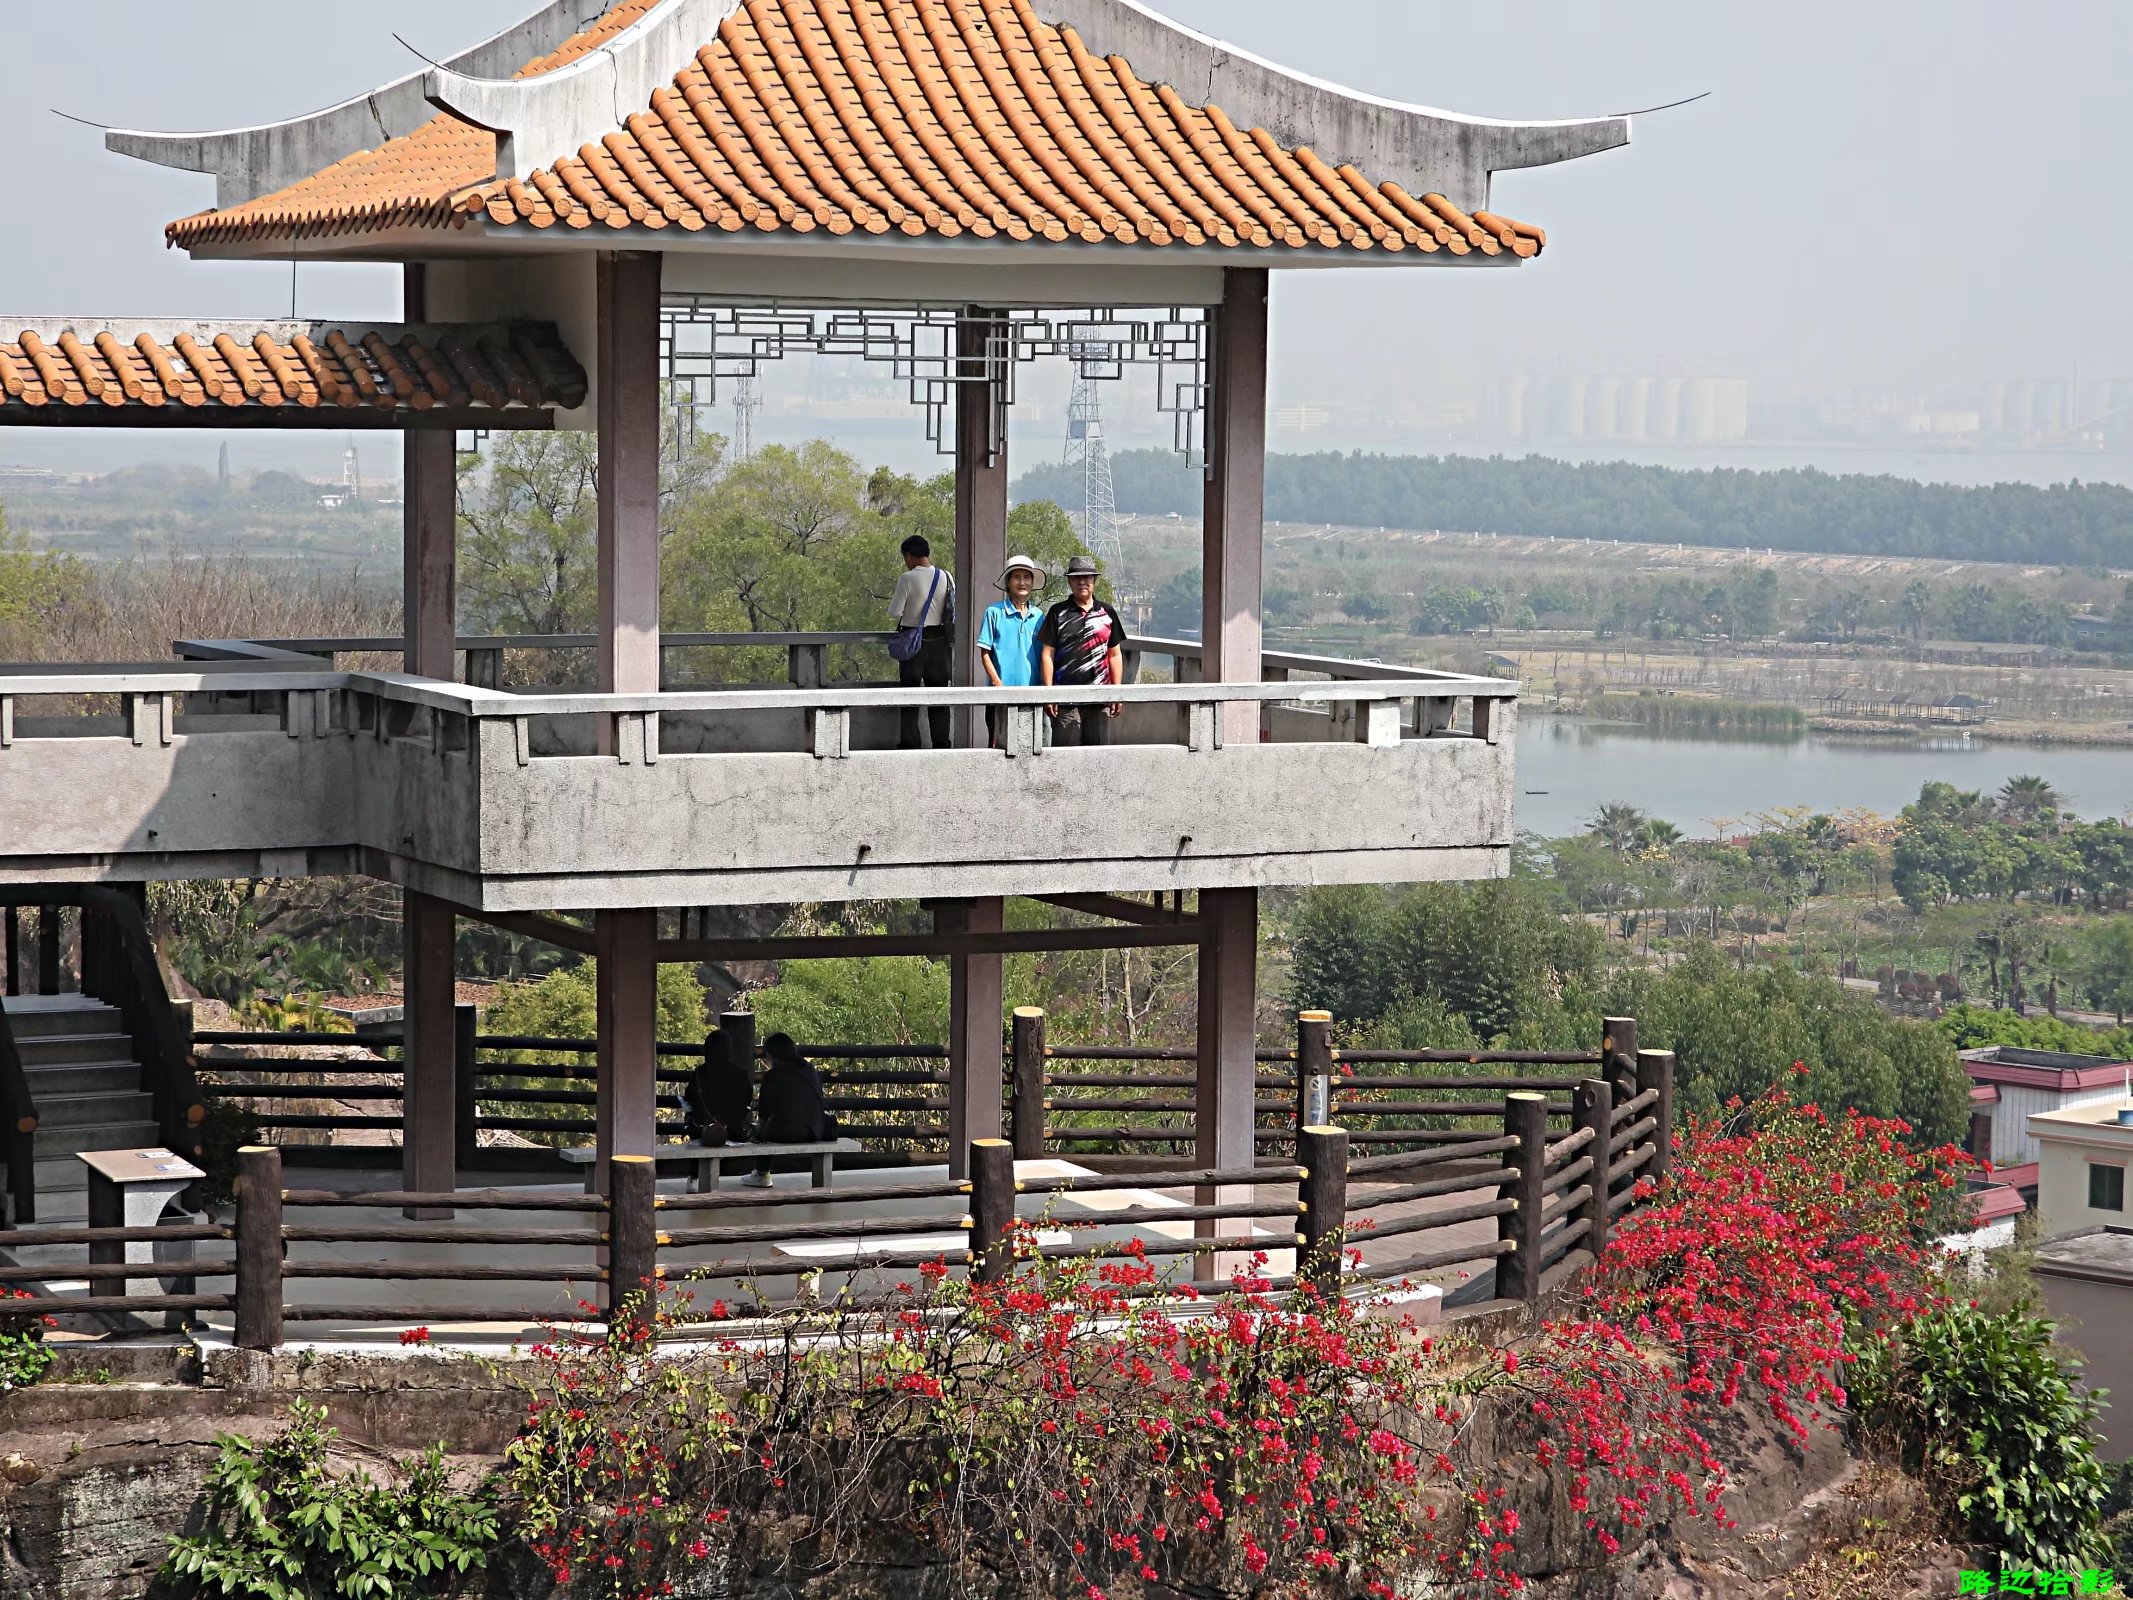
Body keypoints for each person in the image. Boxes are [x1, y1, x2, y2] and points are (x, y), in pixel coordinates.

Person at [1039, 554, 1128, 746]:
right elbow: (1047, 654)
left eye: (1087, 577)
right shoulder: (1057, 612)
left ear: (1094, 580)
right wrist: (1048, 693)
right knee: (1065, 755)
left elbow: (1114, 655)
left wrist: (1117, 692)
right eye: (1076, 578)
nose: (1082, 582)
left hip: (1099, 699)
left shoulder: (1107, 612)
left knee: (1098, 756)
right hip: (1065, 701)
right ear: (1070, 582)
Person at [888, 534, 955, 750]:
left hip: (913, 642)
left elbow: (894, 611)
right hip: (940, 642)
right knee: (939, 698)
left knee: (909, 697)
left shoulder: (907, 578)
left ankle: (910, 745)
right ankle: (942, 745)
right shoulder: (946, 576)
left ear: (908, 556)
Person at [976, 554, 1047, 747]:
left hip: (1032, 694)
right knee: (999, 748)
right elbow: (985, 653)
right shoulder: (994, 612)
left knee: (1030, 747)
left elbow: (1044, 656)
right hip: (1000, 695)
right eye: (1017, 577)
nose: (1022, 582)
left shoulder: (1039, 616)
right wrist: (996, 682)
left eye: (1026, 577)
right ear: (1008, 582)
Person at [683, 1027, 752, 1147]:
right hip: (733, 1133)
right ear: (730, 1049)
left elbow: (690, 1098)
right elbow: (746, 1100)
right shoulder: (740, 1074)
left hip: (703, 1134)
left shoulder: (700, 1072)